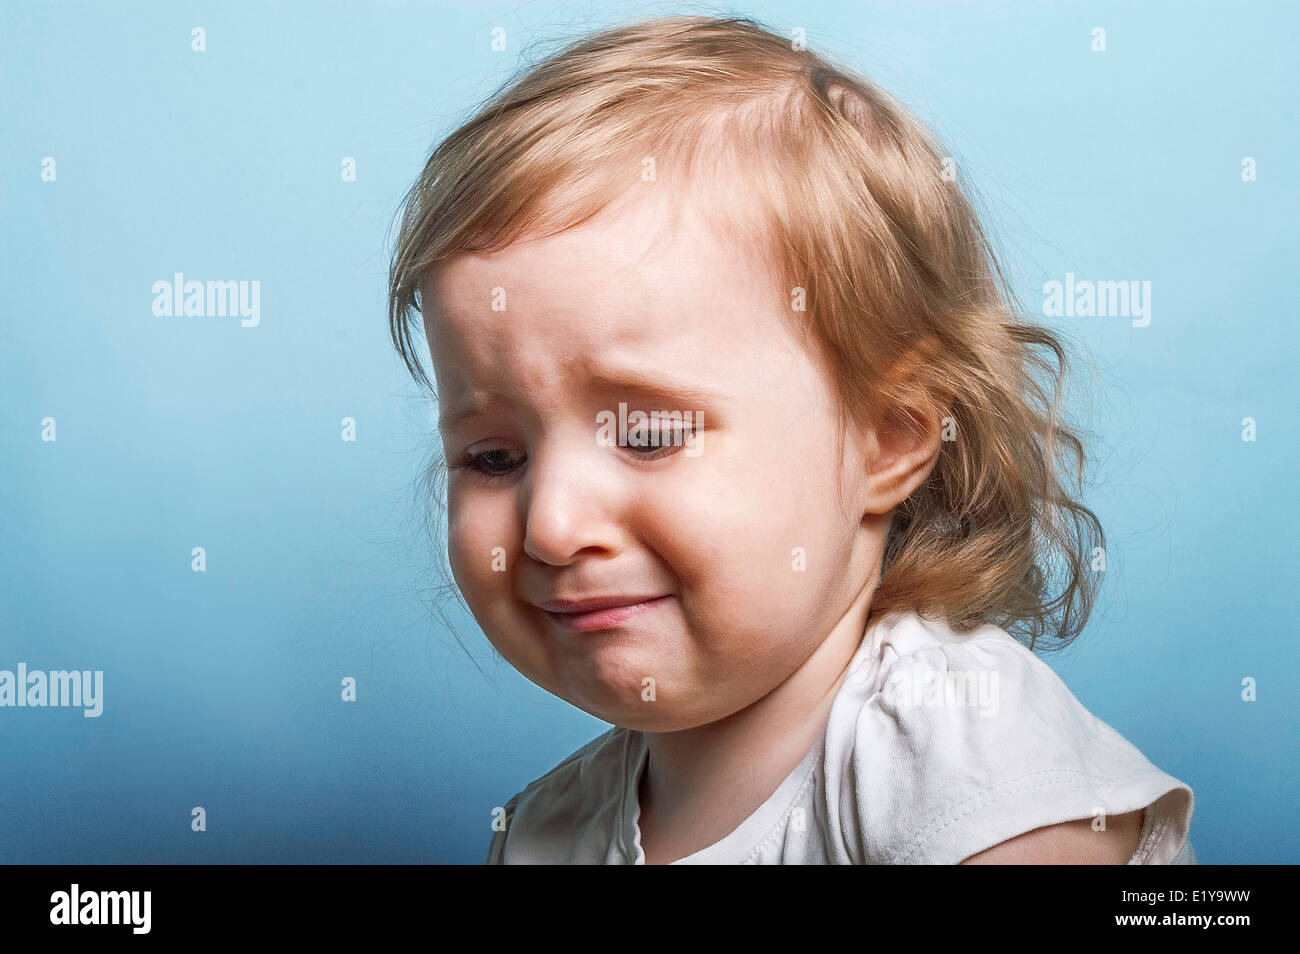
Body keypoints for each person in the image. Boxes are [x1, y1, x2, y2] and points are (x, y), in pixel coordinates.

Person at [385, 15, 1194, 864]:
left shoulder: (961, 748)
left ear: (887, 439)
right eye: (494, 458)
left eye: (649, 434)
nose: (549, 524)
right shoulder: (547, 831)